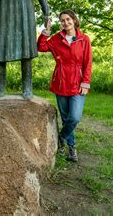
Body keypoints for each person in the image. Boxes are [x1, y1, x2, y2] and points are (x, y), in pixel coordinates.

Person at [37, 10, 92, 162]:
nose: (65, 22)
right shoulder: (56, 38)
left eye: (68, 19)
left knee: (74, 117)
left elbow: (87, 63)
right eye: (62, 20)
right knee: (66, 117)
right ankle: (71, 149)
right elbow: (41, 47)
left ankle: (61, 138)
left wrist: (86, 81)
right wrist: (46, 32)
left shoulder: (83, 39)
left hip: (77, 83)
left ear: (74, 20)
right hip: (60, 82)